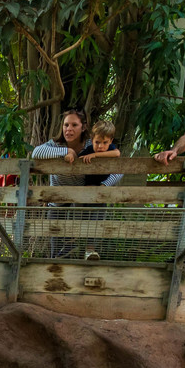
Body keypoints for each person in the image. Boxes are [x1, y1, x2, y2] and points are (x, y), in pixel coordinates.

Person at [30, 107, 89, 258]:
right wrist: (66, 152)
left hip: (81, 201)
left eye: (74, 125)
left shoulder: (90, 146)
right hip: (57, 200)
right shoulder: (56, 144)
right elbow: (36, 153)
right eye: (66, 125)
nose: (69, 129)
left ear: (83, 127)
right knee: (56, 249)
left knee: (74, 247)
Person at [75, 120, 122, 260]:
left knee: (97, 220)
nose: (101, 146)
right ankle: (74, 248)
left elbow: (117, 153)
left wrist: (96, 156)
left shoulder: (108, 150)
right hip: (85, 194)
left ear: (110, 141)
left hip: (101, 193)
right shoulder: (87, 150)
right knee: (81, 220)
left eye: (105, 143)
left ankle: (90, 250)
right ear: (92, 140)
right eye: (97, 142)